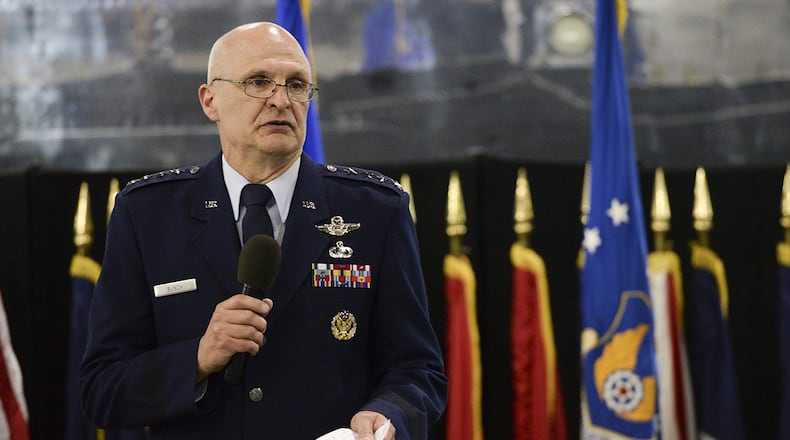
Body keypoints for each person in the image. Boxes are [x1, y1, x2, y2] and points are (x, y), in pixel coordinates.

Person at [80, 22, 447, 440]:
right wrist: (198, 357)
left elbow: (417, 370)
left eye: (297, 85)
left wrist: (387, 414)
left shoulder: (375, 211)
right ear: (210, 100)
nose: (281, 100)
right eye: (258, 82)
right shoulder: (147, 215)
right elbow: (102, 389)